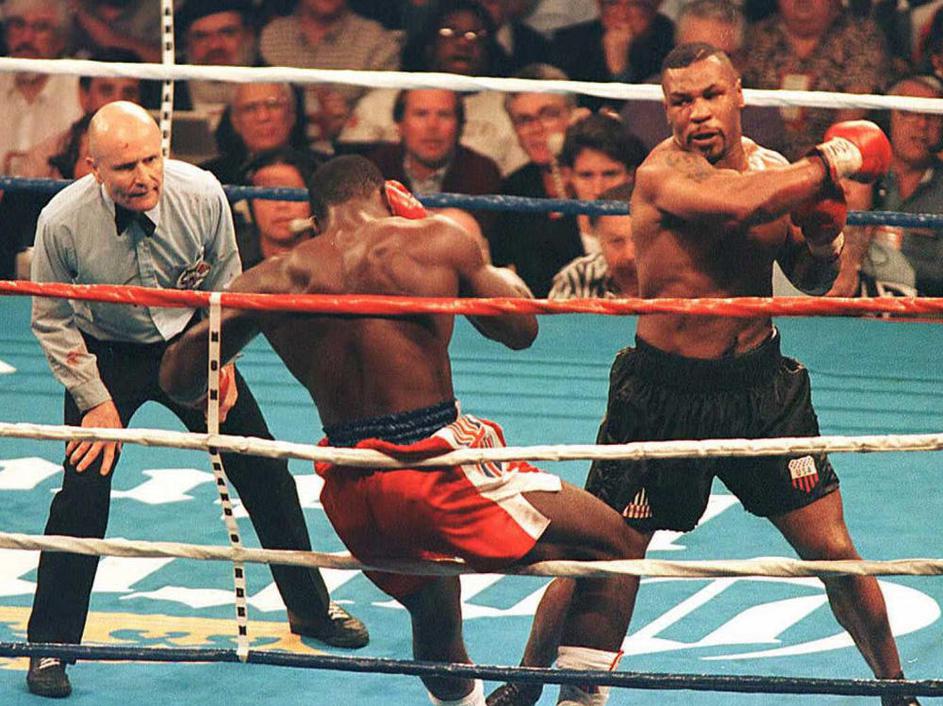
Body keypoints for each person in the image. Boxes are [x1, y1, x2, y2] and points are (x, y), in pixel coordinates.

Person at [488, 43, 919, 706]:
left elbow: (808, 279)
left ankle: (897, 689)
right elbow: (738, 205)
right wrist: (831, 160)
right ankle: (527, 683)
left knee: (833, 550)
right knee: (602, 552)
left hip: (760, 389)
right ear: (665, 111)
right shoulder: (662, 174)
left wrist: (825, 237)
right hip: (662, 394)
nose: (697, 113)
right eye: (680, 101)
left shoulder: (775, 172)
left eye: (711, 95)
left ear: (738, 94)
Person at [158, 154, 640, 706]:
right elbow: (520, 329)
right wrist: (441, 236)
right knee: (614, 543)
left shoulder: (271, 279)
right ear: (387, 196)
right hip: (433, 468)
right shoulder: (433, 240)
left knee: (433, 607)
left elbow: (178, 381)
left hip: (353, 487)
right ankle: (571, 696)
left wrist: (213, 327)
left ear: (313, 217)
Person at [25, 102, 368, 700]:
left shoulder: (202, 193)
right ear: (93, 168)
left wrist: (221, 358)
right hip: (105, 355)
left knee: (264, 468)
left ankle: (310, 610)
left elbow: (227, 285)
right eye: (125, 167)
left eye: (151, 159)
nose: (144, 177)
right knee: (82, 494)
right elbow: (50, 317)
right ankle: (49, 646)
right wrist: (92, 397)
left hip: (191, 342)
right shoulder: (61, 220)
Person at [0, 0, 83, 175]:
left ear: (61, 40)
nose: (26, 38)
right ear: (6, 33)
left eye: (41, 27)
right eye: (18, 25)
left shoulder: (80, 86)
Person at [548, 182, 637, 299]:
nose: (629, 255)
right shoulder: (576, 278)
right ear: (598, 240)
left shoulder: (665, 276)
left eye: (639, 241)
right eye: (616, 241)